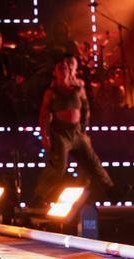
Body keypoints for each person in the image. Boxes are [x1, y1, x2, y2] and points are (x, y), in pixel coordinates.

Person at [32, 54, 114, 204]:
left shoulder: (78, 89)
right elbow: (43, 115)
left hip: (77, 132)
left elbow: (85, 108)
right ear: (55, 72)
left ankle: (111, 191)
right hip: (60, 133)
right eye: (60, 68)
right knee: (58, 168)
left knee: (93, 163)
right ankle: (40, 197)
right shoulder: (51, 93)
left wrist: (83, 127)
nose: (64, 71)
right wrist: (45, 136)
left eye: (66, 68)